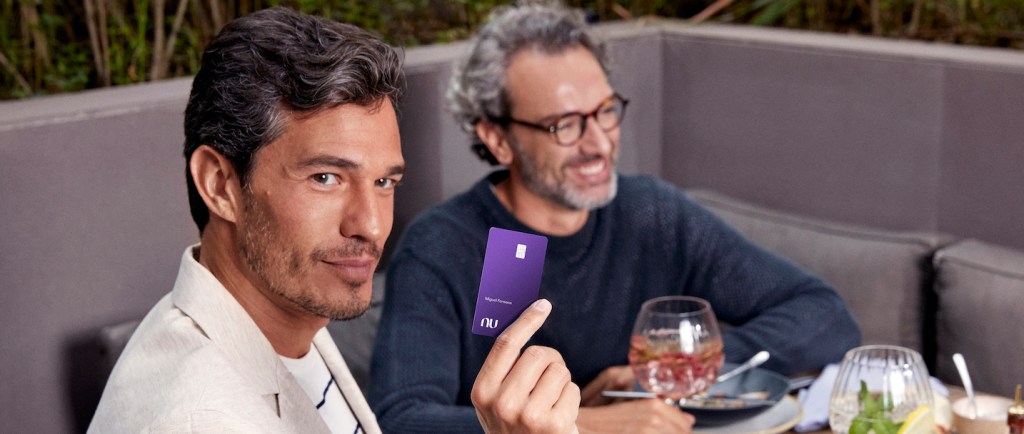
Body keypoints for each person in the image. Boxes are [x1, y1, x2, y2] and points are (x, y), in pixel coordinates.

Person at [369, 3, 861, 433]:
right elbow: (401, 419)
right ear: (498, 139)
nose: (600, 143)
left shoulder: (653, 214)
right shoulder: (444, 246)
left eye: (605, 111)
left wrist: (679, 365)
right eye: (564, 124)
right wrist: (585, 424)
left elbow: (824, 316)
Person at [89, 7, 580, 434]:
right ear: (220, 185)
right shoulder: (199, 421)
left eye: (385, 182)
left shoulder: (288, 314)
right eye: (326, 178)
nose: (370, 225)